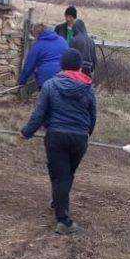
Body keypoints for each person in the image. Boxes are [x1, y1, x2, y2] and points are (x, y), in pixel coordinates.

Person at [20, 48, 96, 235]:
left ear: (61, 65)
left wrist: (26, 132)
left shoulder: (50, 85)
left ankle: (64, 221)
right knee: (66, 173)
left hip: (56, 137)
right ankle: (58, 200)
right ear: (79, 66)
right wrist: (87, 134)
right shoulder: (88, 88)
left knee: (60, 174)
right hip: (79, 138)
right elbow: (93, 115)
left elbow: (39, 114)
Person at [18, 23, 68, 88]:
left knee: (47, 97)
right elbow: (69, 58)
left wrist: (21, 81)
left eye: (34, 36)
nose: (35, 38)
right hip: (63, 76)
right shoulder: (62, 40)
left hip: (46, 79)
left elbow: (29, 66)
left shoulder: (38, 45)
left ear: (37, 34)